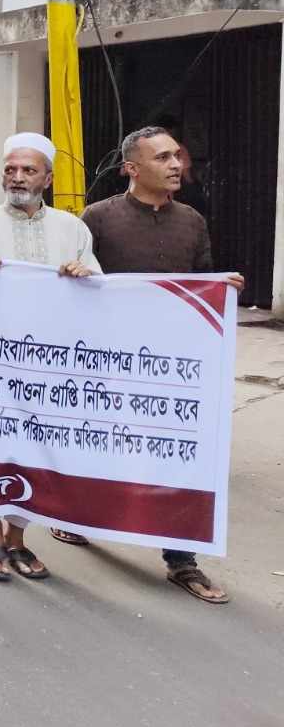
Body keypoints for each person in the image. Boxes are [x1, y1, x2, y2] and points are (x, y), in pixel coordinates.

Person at [74, 125, 244, 605]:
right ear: (132, 168)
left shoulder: (192, 220)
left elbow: (198, 286)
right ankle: (75, 520)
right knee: (99, 450)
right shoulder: (98, 219)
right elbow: (78, 289)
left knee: (180, 459)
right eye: (163, 157)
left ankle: (182, 559)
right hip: (110, 364)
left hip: (174, 368)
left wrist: (221, 288)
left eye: (177, 157)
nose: (176, 165)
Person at [0, 132, 100, 584]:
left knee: (36, 451)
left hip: (50, 363)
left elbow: (99, 288)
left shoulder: (72, 228)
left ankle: (18, 537)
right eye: (11, 170)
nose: (17, 178)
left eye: (28, 170)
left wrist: (82, 274)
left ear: (48, 178)